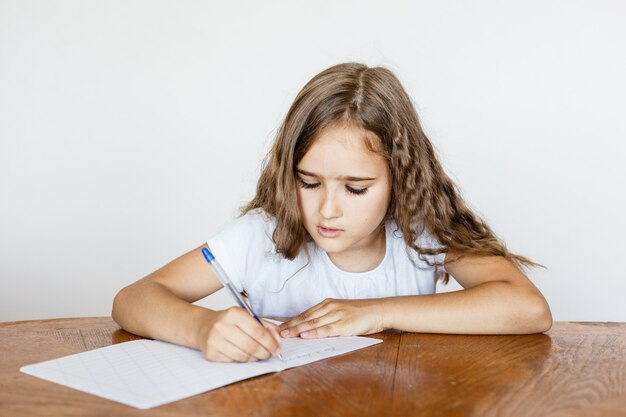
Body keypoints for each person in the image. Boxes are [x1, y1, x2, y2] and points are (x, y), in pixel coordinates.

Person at [112, 62, 552, 363]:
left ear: (401, 178)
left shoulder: (420, 232)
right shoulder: (262, 236)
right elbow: (132, 299)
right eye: (309, 182)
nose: (327, 208)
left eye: (356, 188)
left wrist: (375, 311)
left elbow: (529, 309)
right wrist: (202, 328)